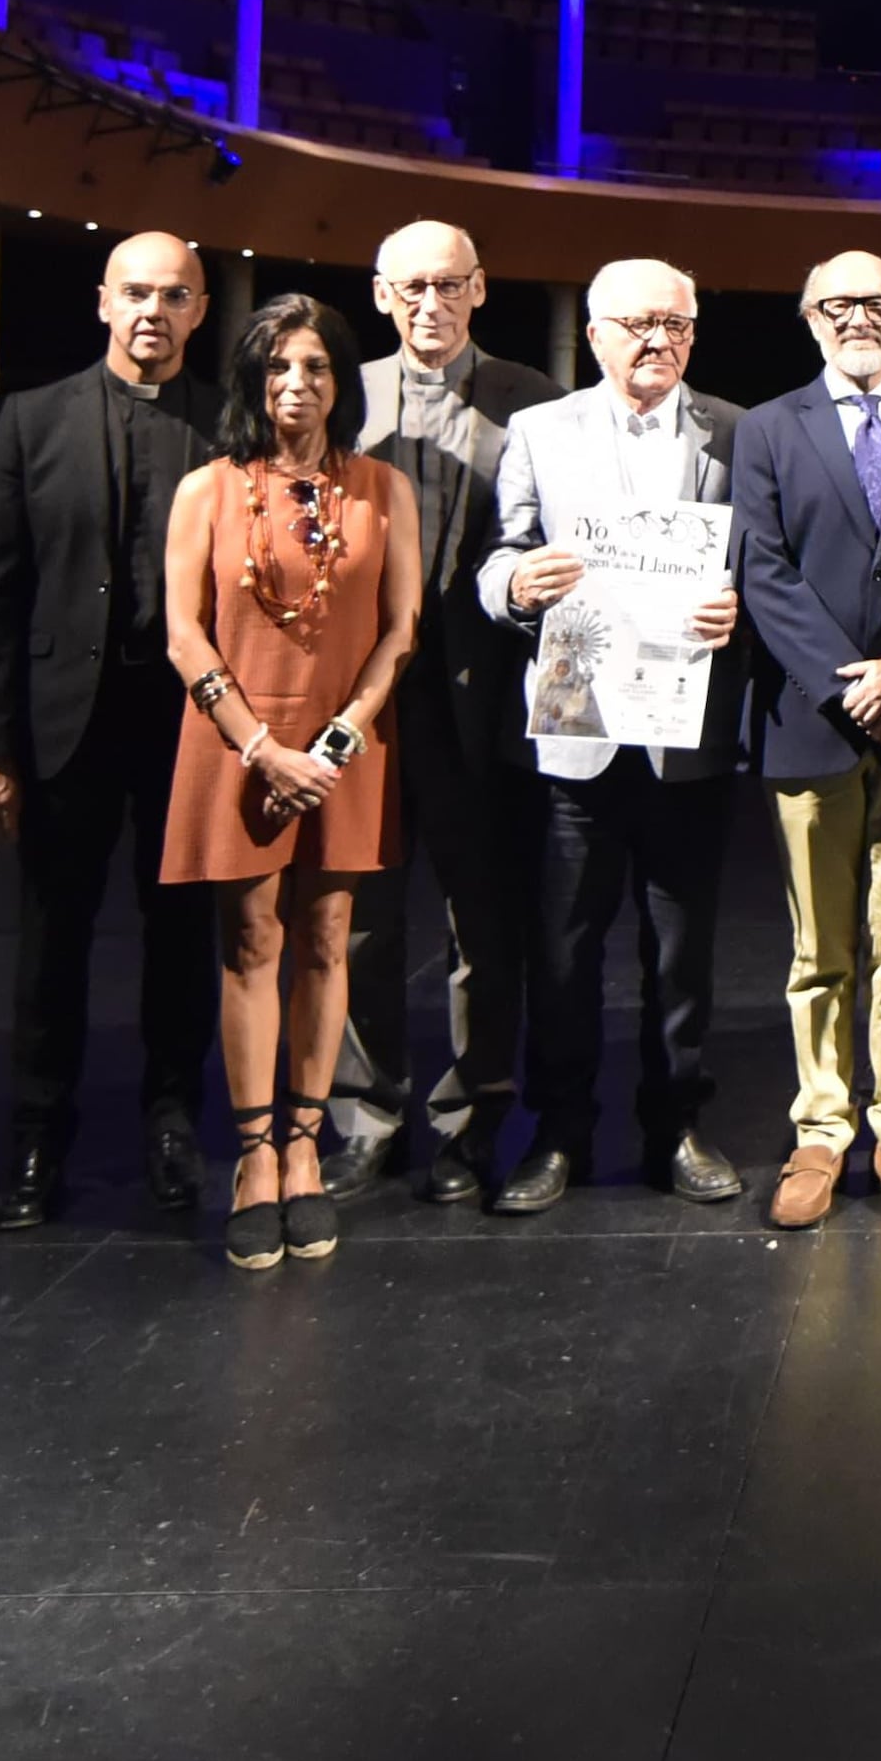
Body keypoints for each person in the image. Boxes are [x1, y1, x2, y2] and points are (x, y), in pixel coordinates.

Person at [474, 256, 753, 1214]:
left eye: (675, 324)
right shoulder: (540, 430)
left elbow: (766, 563)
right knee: (562, 948)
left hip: (687, 737)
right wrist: (513, 588)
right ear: (592, 335)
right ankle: (559, 1131)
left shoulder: (738, 432)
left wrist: (738, 610)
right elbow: (499, 553)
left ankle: (675, 1123)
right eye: (635, 323)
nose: (656, 341)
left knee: (681, 952)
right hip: (576, 734)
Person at [0, 231, 219, 1229]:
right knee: (50, 940)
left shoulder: (227, 422)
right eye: (136, 293)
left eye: (174, 295)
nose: (153, 310)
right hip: (62, 721)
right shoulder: (28, 419)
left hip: (186, 723)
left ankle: (170, 1121)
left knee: (180, 940)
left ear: (198, 310)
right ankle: (35, 1135)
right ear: (102, 302)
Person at [162, 295, 413, 1268]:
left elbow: (399, 630)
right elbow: (183, 629)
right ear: (250, 382)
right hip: (236, 737)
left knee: (324, 935)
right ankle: (255, 1155)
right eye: (275, 368)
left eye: (312, 367)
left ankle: (307, 1146)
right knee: (250, 938)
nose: (294, 385)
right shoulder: (207, 489)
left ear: (339, 381)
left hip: (345, 738)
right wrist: (261, 747)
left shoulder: (384, 488)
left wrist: (338, 742)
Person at [726, 249, 881, 1230]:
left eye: (877, 302)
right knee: (819, 951)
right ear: (807, 316)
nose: (858, 316)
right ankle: (822, 1127)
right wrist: (847, 683)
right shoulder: (765, 428)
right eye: (838, 303)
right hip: (810, 719)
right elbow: (763, 571)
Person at [346, 217, 560, 1201]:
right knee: (362, 925)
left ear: (480, 288)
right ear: (381, 295)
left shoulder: (537, 403)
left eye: (447, 285)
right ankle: (364, 1116)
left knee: (485, 927)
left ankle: (472, 1122)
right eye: (409, 288)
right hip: (363, 711)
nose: (428, 304)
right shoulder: (336, 397)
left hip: (484, 711)